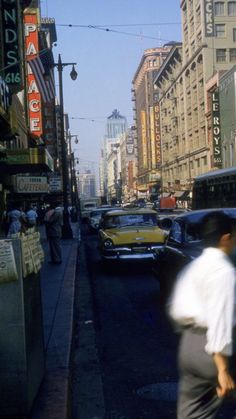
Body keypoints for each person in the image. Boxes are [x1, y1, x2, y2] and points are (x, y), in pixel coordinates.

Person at [168, 211, 236, 419]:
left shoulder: (194, 266)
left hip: (188, 347)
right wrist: (222, 369)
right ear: (225, 238)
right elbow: (220, 320)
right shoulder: (223, 271)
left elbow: (176, 307)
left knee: (192, 414)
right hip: (212, 353)